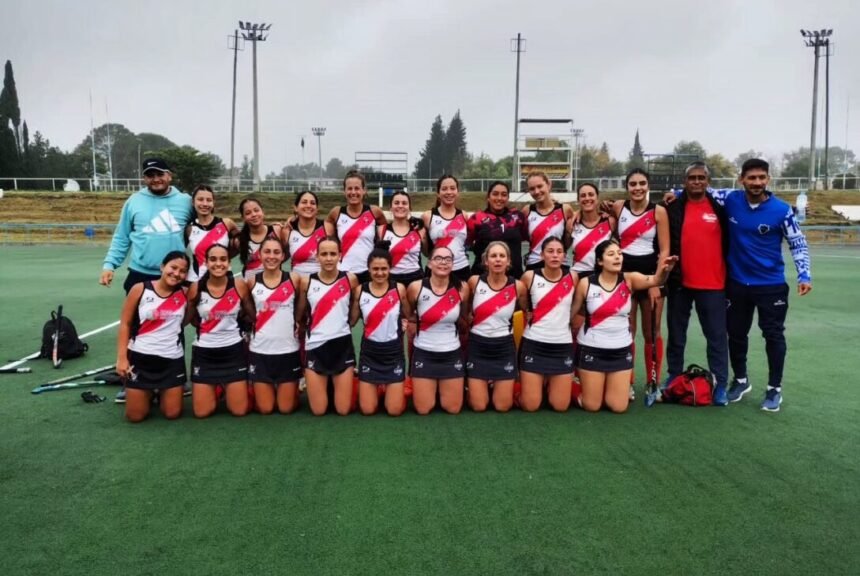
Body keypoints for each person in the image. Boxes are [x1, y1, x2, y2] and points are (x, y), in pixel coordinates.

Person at [704, 158, 812, 412]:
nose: (757, 182)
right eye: (751, 178)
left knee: (773, 335)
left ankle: (774, 389)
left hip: (771, 285)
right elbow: (699, 189)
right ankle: (741, 381)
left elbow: (797, 242)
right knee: (736, 334)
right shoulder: (730, 199)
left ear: (768, 179)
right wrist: (672, 194)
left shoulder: (782, 210)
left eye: (762, 177)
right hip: (737, 283)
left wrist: (804, 275)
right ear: (741, 179)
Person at [100, 157, 193, 404]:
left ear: (169, 175)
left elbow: (205, 225)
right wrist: (110, 265)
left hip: (176, 276)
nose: (156, 179)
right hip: (141, 274)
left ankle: (177, 378)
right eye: (150, 175)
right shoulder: (134, 201)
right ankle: (132, 378)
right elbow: (122, 236)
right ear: (144, 178)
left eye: (160, 174)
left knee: (174, 325)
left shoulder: (185, 202)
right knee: (135, 328)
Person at [572, 239, 677, 413]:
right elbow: (571, 314)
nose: (617, 257)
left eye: (619, 254)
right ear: (600, 261)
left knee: (618, 407)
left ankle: (600, 388)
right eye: (611, 254)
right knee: (592, 405)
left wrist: (665, 270)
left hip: (620, 351)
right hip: (591, 350)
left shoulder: (629, 280)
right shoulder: (586, 283)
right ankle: (567, 386)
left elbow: (655, 280)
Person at [664, 162, 730, 405]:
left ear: (708, 181)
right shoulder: (673, 207)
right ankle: (674, 376)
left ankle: (720, 384)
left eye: (701, 177)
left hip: (713, 284)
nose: (697, 181)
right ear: (685, 182)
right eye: (692, 178)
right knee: (676, 335)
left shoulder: (720, 208)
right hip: (680, 283)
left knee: (716, 337)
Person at [609, 168, 669, 396]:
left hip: (650, 277)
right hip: (625, 279)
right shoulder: (619, 207)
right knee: (628, 330)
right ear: (627, 187)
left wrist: (655, 282)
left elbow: (665, 250)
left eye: (642, 183)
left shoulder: (658, 211)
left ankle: (653, 382)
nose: (637, 188)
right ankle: (629, 381)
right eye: (633, 184)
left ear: (648, 186)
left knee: (652, 330)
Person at [116, 251, 190, 423]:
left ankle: (160, 391)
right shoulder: (140, 289)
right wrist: (121, 358)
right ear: (162, 267)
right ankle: (148, 392)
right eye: (173, 267)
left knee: (172, 413)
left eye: (182, 271)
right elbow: (125, 324)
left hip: (172, 360)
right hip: (140, 358)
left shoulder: (186, 293)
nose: (176, 273)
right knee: (136, 416)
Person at [186, 244, 255, 418]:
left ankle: (227, 387)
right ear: (206, 262)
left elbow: (252, 315)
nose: (218, 264)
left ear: (229, 263)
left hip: (233, 352)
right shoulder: (196, 288)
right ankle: (216, 387)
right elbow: (189, 319)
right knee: (202, 413)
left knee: (239, 411)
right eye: (213, 259)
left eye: (223, 259)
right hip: (205, 353)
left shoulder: (239, 285)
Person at [295, 237, 359, 416]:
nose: (329, 258)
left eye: (333, 254)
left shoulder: (350, 279)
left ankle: (342, 383)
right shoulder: (306, 282)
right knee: (319, 410)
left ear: (340, 255)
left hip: (342, 347)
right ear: (317, 257)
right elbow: (300, 314)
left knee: (343, 410)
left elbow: (354, 310)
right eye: (324, 254)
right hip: (316, 348)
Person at [404, 245, 470, 415]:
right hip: (424, 352)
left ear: (453, 264)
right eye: (438, 258)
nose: (443, 262)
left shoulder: (462, 288)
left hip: (451, 353)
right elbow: (409, 315)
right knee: (423, 409)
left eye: (448, 259)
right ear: (429, 263)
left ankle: (443, 387)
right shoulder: (415, 287)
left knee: (453, 408)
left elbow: (464, 318)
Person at [465, 241, 528, 412]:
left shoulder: (518, 286)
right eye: (493, 256)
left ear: (509, 261)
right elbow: (467, 310)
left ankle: (500, 386)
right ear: (486, 261)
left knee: (502, 406)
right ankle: (470, 388)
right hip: (478, 345)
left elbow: (525, 311)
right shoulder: (474, 282)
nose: (498, 260)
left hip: (503, 347)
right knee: (479, 406)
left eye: (502, 256)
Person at [519, 236, 579, 412]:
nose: (555, 255)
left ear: (564, 256)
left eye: (559, 252)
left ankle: (553, 385)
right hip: (534, 343)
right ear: (542, 255)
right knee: (531, 406)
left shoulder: (573, 277)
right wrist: (527, 312)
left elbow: (577, 304)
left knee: (560, 406)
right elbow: (522, 301)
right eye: (550, 251)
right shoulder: (529, 276)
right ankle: (520, 388)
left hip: (562, 345)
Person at [246, 238, 303, 415]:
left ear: (283, 256)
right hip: (260, 351)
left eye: (276, 252)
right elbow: (249, 311)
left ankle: (292, 390)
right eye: (267, 252)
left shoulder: (294, 279)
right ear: (260, 255)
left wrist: (297, 323)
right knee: (266, 409)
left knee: (286, 409)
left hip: (288, 351)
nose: (272, 256)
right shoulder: (251, 282)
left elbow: (300, 308)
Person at [350, 244, 407, 416]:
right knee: (368, 410)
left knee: (394, 411)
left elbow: (409, 314)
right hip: (370, 353)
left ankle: (390, 389)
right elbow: (352, 320)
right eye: (375, 269)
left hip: (393, 352)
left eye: (384, 269)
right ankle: (379, 389)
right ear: (368, 269)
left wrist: (405, 323)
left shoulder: (399, 289)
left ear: (390, 268)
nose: (380, 273)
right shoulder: (360, 291)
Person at [325, 170, 387, 284]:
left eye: (357, 188)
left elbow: (390, 229)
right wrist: (293, 220)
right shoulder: (336, 213)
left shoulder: (375, 212)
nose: (353, 192)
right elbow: (319, 228)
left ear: (364, 190)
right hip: (343, 272)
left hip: (369, 273)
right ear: (344, 191)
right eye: (349, 188)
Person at [467, 181, 527, 279]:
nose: (499, 198)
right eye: (495, 194)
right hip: (483, 277)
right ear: (488, 197)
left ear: (508, 198)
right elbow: (468, 242)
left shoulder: (518, 217)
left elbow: (525, 236)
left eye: (504, 195)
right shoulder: (476, 218)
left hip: (514, 277)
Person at [184, 185, 239, 283]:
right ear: (193, 202)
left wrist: (225, 257)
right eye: (200, 199)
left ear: (213, 203)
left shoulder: (227, 224)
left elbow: (242, 243)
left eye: (209, 200)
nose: (205, 203)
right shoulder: (189, 229)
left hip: (224, 279)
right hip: (196, 280)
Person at [422, 175, 472, 283]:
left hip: (461, 269)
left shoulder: (464, 216)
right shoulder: (428, 216)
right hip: (436, 269)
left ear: (457, 192)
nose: (449, 192)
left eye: (452, 188)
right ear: (438, 193)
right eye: (444, 189)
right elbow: (426, 252)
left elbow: (468, 244)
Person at [522, 171, 575, 271]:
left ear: (549, 185)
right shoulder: (527, 211)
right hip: (534, 264)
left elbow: (569, 239)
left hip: (560, 264)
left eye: (540, 186)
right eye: (532, 189)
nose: (536, 191)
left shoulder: (565, 210)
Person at [383, 190, 426, 287]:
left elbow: (427, 253)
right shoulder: (382, 230)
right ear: (391, 207)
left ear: (410, 208)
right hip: (391, 280)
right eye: (396, 203)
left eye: (404, 203)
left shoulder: (420, 230)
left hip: (416, 280)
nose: (400, 206)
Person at [236, 197, 283, 281]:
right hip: (250, 284)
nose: (254, 214)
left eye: (256, 210)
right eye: (248, 213)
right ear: (243, 218)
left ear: (262, 211)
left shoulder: (277, 231)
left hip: (275, 282)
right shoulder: (239, 240)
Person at [284, 190, 330, 275]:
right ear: (295, 208)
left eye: (312, 203)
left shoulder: (327, 228)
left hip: (323, 280)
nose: (308, 205)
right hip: (297, 280)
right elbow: (280, 257)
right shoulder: (287, 230)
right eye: (304, 202)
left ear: (317, 209)